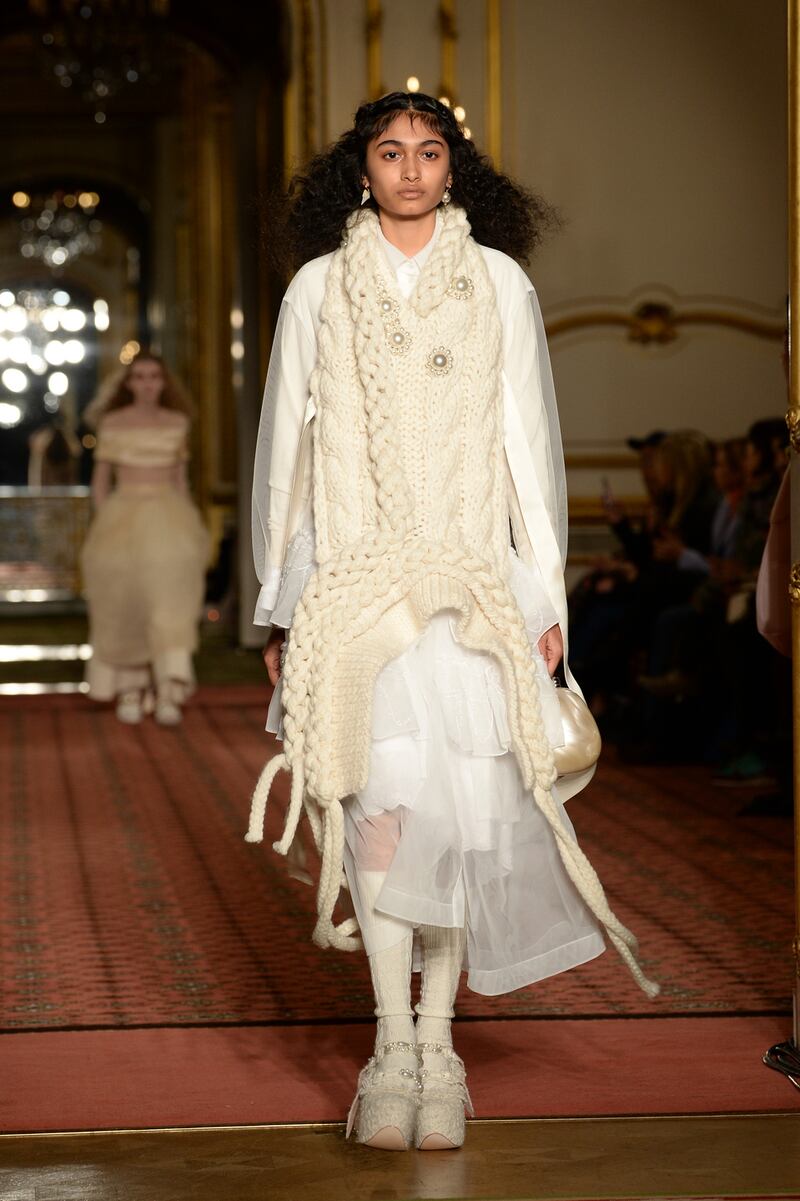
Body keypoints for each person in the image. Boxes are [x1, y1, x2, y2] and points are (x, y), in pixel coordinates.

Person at [248, 91, 658, 1153]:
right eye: (390, 152)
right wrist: (276, 609)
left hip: (475, 591)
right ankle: (390, 1045)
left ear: (453, 167)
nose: (411, 169)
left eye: (429, 152)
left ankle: (441, 1045)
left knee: (463, 817)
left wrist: (545, 601)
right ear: (361, 169)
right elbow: (284, 463)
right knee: (377, 811)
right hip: (352, 586)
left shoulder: (502, 285)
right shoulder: (315, 288)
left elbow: (527, 446)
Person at [81, 352, 208, 725]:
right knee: (125, 602)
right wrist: (106, 521)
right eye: (139, 376)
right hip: (122, 518)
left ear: (164, 382)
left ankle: (169, 688)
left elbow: (180, 482)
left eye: (154, 375)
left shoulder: (177, 422)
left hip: (170, 518)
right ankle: (131, 688)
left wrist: (193, 530)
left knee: (170, 604)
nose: (148, 383)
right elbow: (101, 482)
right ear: (129, 383)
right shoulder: (112, 423)